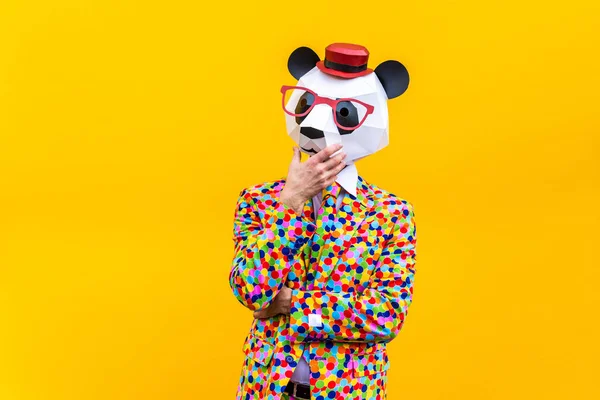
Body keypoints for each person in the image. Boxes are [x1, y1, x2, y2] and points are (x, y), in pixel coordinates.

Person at [230, 43, 417, 400]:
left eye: (343, 111)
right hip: (265, 388)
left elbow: (387, 315)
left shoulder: (391, 213)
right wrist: (291, 203)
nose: (318, 123)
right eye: (307, 105)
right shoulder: (258, 200)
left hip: (348, 391)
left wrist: (293, 305)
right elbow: (249, 291)